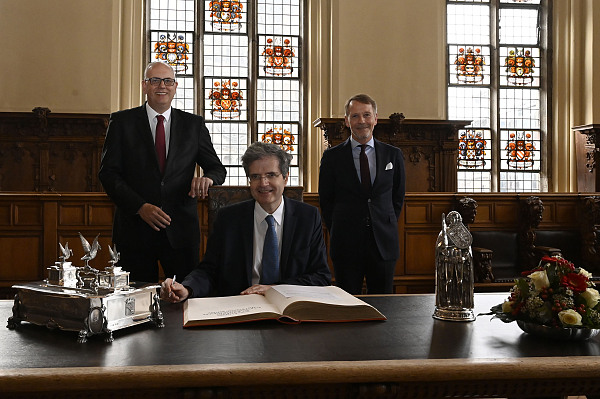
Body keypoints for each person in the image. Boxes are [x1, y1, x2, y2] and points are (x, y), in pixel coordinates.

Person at [99, 61, 226, 283]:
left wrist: (207, 178)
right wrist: (140, 207)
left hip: (181, 232)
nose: (162, 86)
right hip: (134, 230)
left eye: (168, 80)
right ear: (144, 85)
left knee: (185, 300)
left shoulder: (193, 124)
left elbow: (217, 168)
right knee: (134, 305)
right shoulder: (122, 122)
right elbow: (108, 174)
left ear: (175, 86)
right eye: (155, 80)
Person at [161, 142, 332, 301]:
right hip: (239, 307)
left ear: (285, 178)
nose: (263, 183)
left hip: (290, 306)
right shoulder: (228, 218)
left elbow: (320, 276)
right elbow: (209, 270)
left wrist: (274, 289)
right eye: (255, 176)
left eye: (271, 175)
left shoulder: (308, 217)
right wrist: (187, 289)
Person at [318, 94, 406, 294]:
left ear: (375, 118)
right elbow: (326, 200)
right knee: (348, 306)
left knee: (385, 305)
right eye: (355, 116)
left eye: (366, 115)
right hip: (346, 244)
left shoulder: (393, 155)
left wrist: (383, 221)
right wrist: (340, 228)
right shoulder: (332, 157)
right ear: (347, 121)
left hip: (383, 244)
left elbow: (397, 198)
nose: (362, 121)